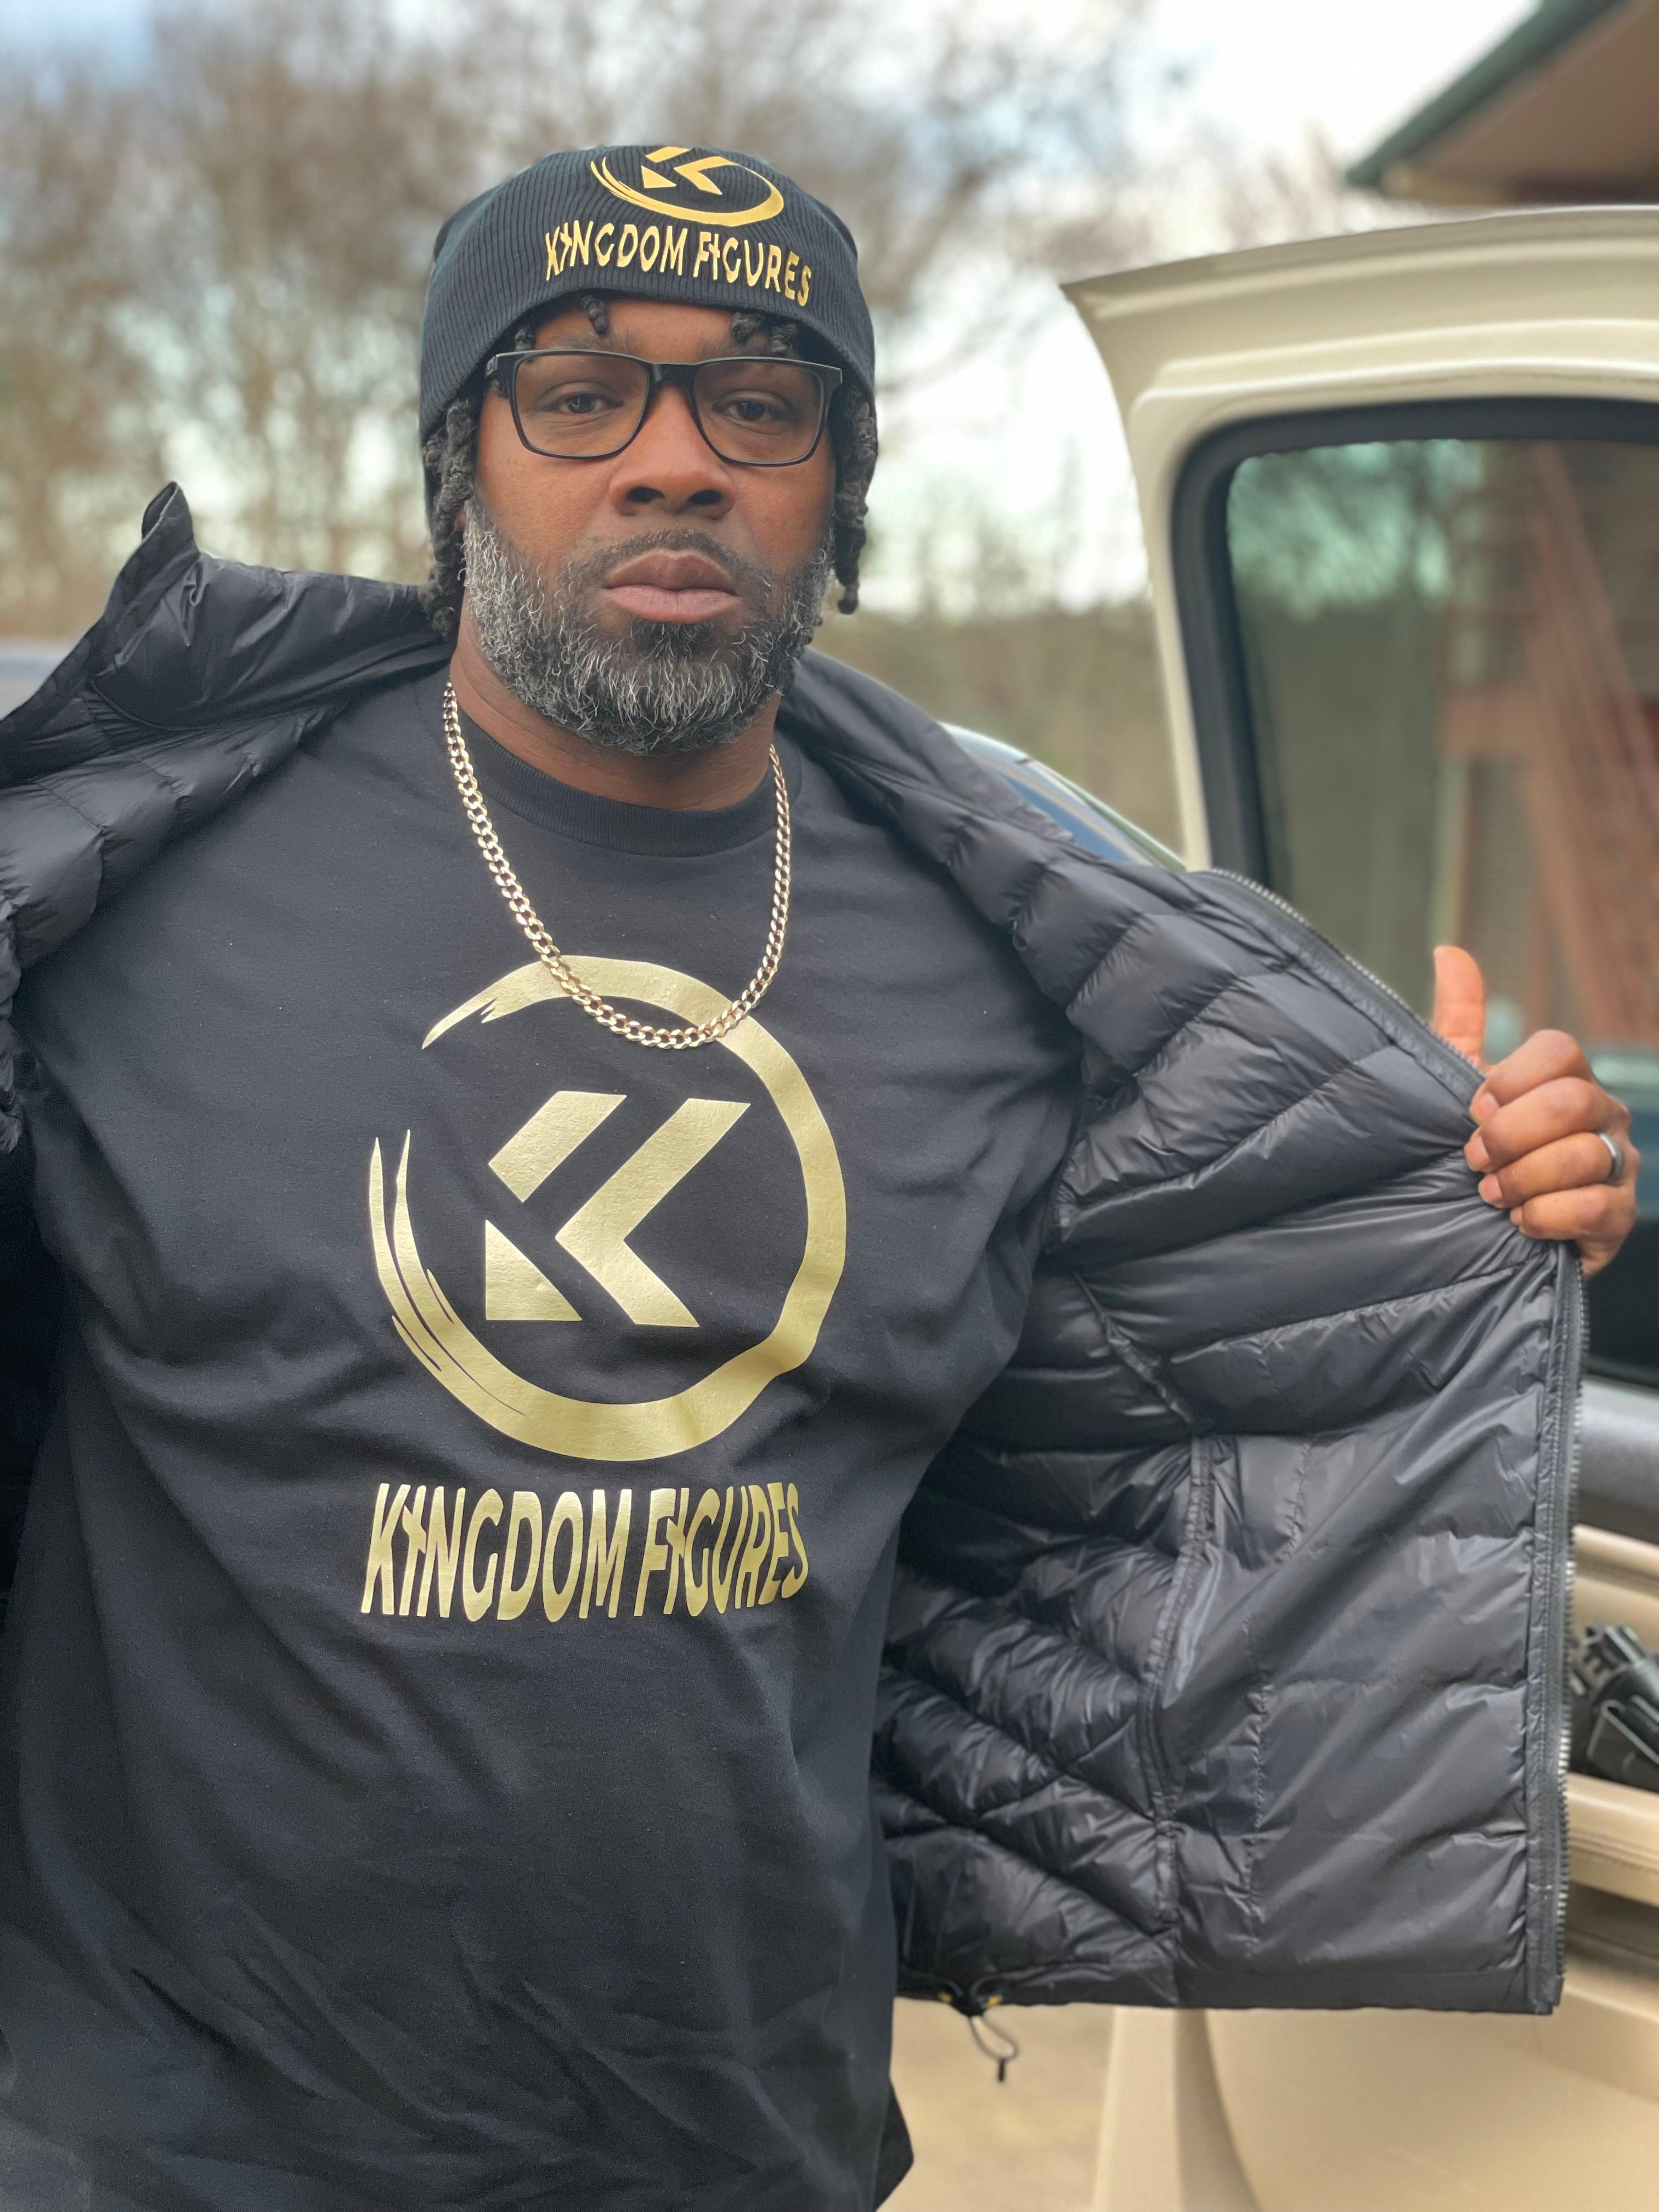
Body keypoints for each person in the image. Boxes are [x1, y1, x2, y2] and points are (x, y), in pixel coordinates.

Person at [0, 145, 1636, 2211]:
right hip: (156, 2147)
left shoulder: (1012, 963)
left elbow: (1177, 1422)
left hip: (743, 2143)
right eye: (580, 391)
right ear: (458, 461)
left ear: (839, 486)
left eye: (761, 404)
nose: (675, 461)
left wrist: (1466, 1201)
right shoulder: (133, 898)